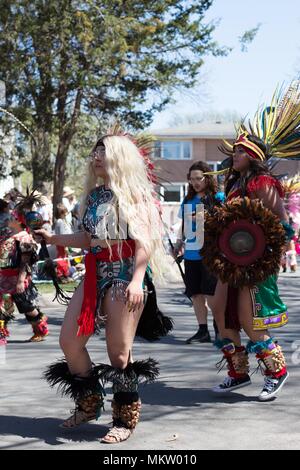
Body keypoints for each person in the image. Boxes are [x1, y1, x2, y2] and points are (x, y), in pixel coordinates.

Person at [36, 128, 171, 444]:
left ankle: (125, 418)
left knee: (119, 354)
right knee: (69, 340)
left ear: (120, 158)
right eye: (94, 152)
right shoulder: (95, 196)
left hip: (125, 276)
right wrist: (55, 239)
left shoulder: (137, 195)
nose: (95, 156)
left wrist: (137, 281)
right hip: (95, 274)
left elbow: (144, 243)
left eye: (102, 151)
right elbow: (88, 239)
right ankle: (89, 401)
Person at [203, 82, 300, 401]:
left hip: (255, 262)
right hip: (230, 260)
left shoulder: (261, 181)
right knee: (219, 310)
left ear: (255, 155)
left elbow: (282, 222)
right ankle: (239, 371)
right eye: (235, 150)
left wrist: (268, 255)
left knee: (249, 319)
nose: (236, 154)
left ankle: (276, 372)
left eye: (242, 151)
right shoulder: (235, 185)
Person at [173, 161, 224, 343]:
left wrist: (203, 216)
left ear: (207, 178)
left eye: (199, 178)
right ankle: (203, 331)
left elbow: (224, 220)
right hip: (191, 254)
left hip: (211, 254)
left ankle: (220, 330)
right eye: (192, 179)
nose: (195, 182)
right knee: (196, 295)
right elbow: (183, 226)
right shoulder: (187, 200)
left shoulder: (218, 198)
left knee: (212, 296)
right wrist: (178, 244)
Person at [0, 197, 49, 342]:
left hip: (18, 279)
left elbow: (25, 261)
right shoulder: (6, 236)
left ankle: (40, 328)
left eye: (11, 219)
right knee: (2, 308)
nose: (7, 221)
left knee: (27, 307)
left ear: (19, 222)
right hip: (4, 279)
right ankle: (1, 334)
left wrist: (21, 280)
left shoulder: (24, 238)